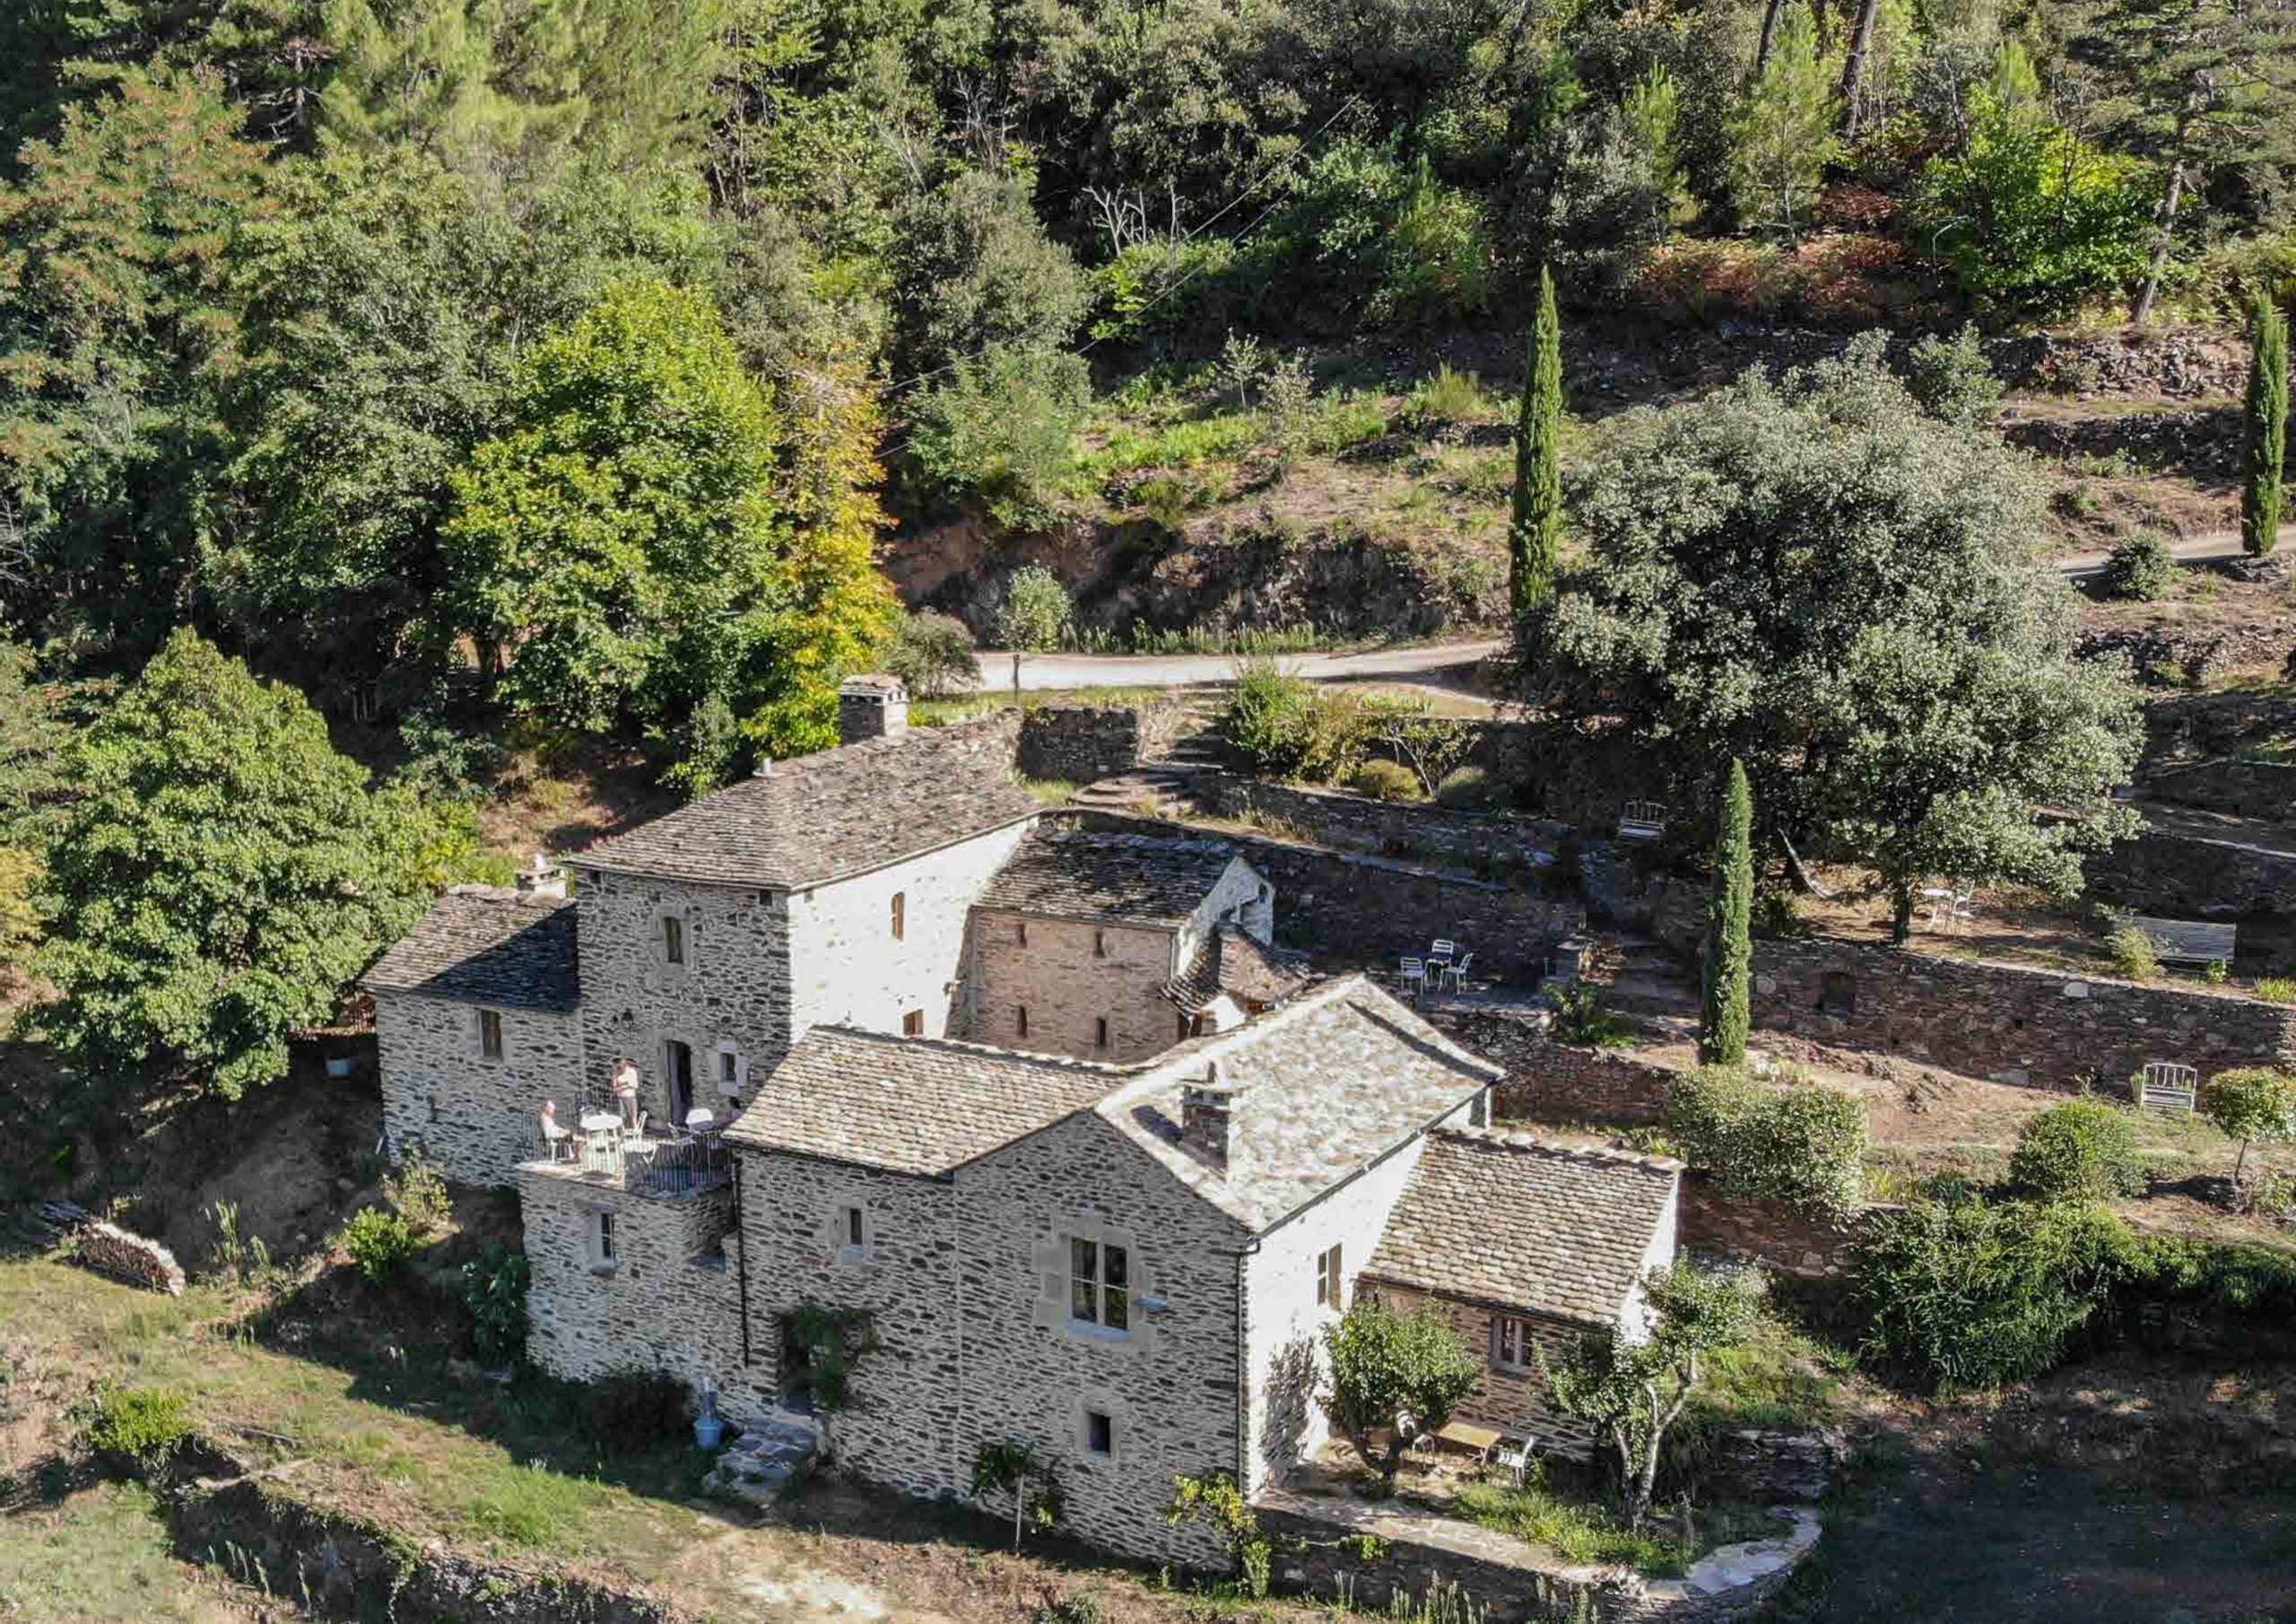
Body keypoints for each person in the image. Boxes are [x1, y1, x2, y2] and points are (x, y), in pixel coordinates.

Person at [611, 1057, 641, 1128]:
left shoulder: (631, 1072)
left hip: (630, 1097)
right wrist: (625, 1085)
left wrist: (622, 1086)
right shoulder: (616, 1072)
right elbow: (614, 1087)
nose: (618, 1070)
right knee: (622, 1117)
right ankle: (623, 1132)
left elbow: (634, 1085)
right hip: (620, 1098)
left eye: (620, 1068)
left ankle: (635, 1132)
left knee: (633, 1117)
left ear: (624, 1066)